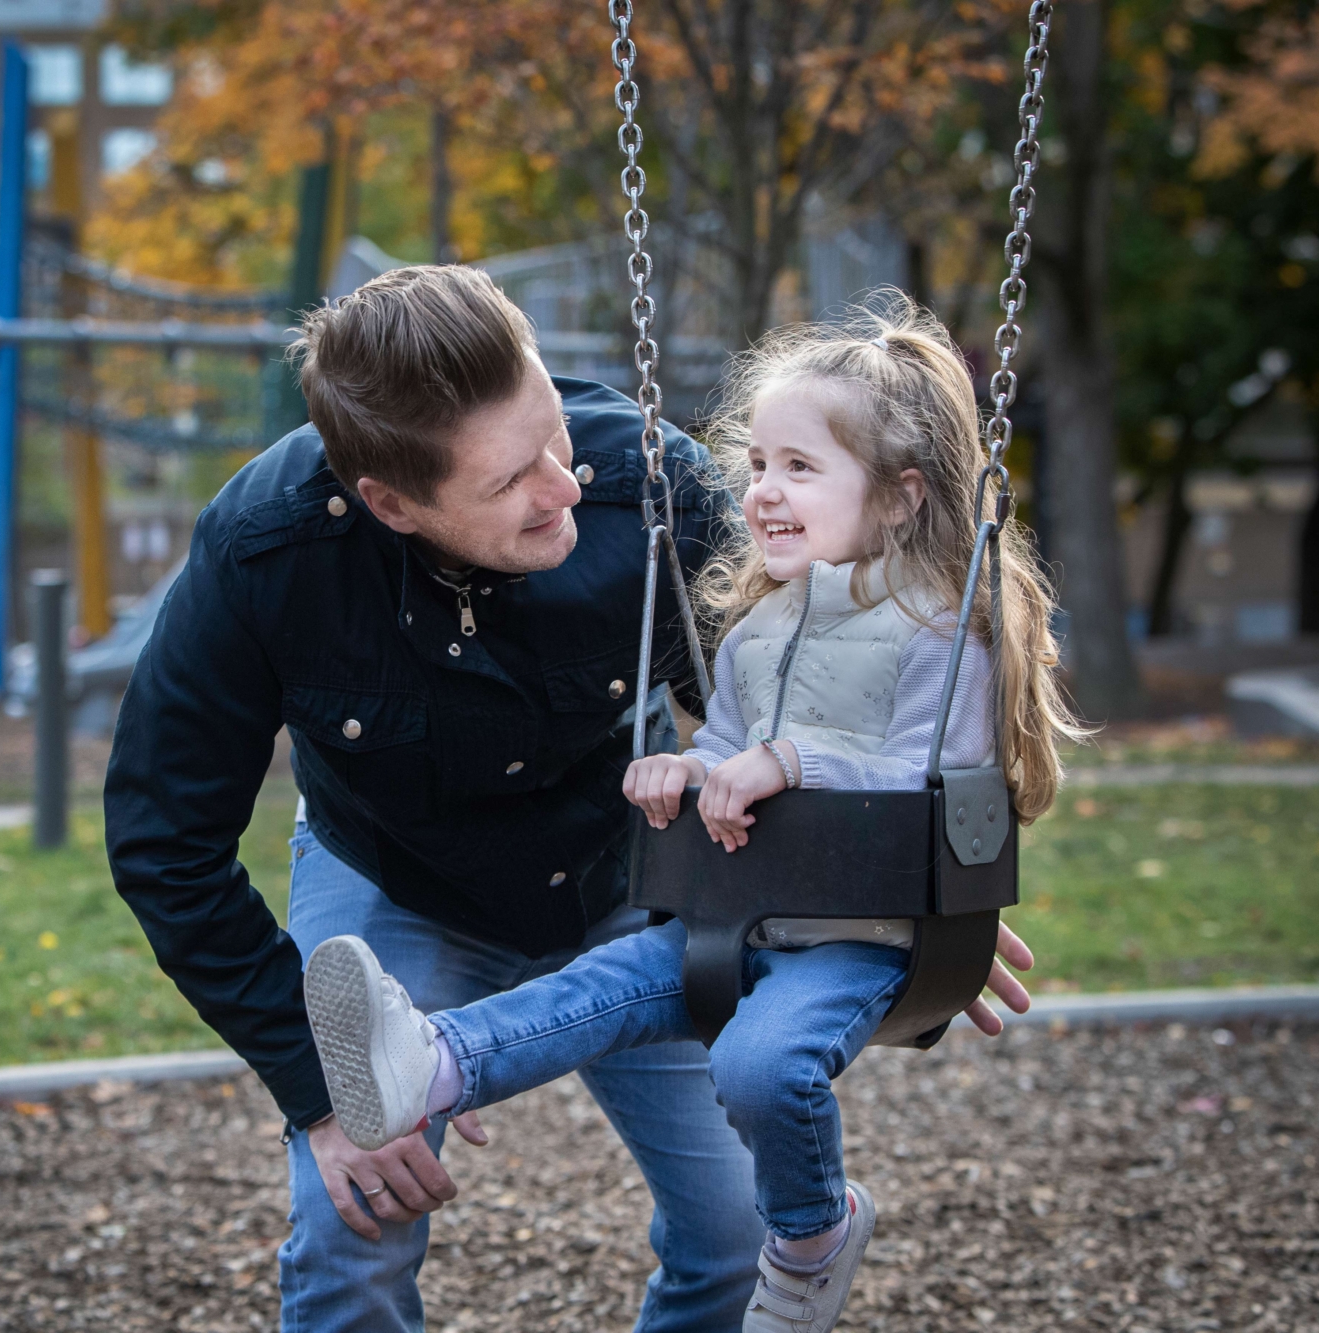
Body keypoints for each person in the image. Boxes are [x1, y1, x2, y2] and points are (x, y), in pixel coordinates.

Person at [104, 268, 1036, 1332]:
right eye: (510, 481)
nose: (562, 482)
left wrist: (906, 889)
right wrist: (313, 1082)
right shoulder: (265, 555)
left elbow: (806, 707)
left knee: (737, 1229)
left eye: (552, 435)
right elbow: (162, 843)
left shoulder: (648, 483)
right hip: (394, 878)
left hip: (619, 871)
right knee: (349, 1212)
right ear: (391, 503)